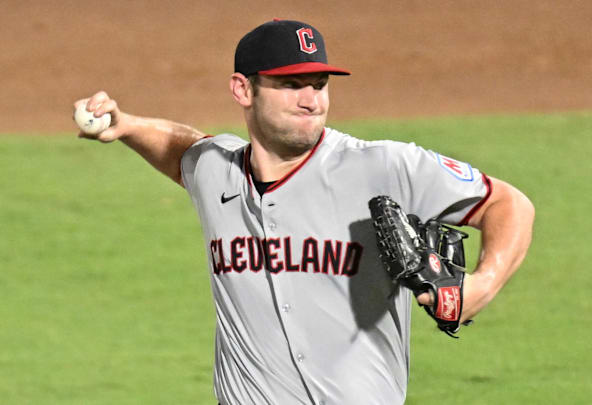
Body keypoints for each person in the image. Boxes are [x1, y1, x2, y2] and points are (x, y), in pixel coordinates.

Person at [75, 19, 534, 405]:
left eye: (318, 84)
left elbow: (507, 202)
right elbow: (183, 150)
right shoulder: (215, 171)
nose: (311, 99)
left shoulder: (382, 166)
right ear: (243, 89)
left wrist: (483, 284)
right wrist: (129, 125)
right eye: (290, 85)